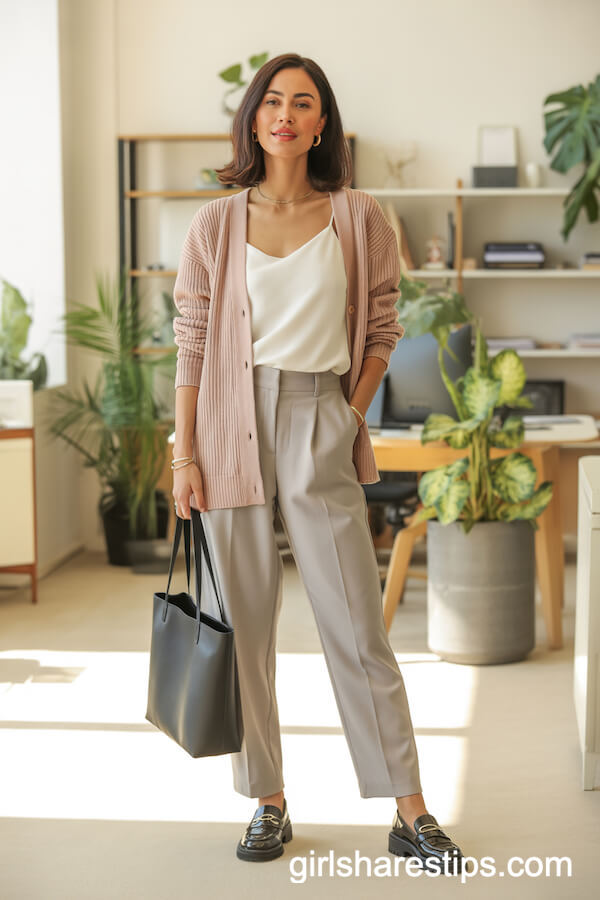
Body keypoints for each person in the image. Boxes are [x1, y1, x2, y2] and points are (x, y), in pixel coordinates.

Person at [171, 52, 466, 874]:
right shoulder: (215, 225)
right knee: (244, 627)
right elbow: (191, 346)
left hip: (316, 416)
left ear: (322, 123)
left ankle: (410, 810)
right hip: (229, 422)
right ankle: (267, 800)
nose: (286, 114)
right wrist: (182, 454)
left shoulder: (359, 216)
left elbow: (380, 326)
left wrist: (347, 412)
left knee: (356, 626)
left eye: (303, 103)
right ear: (254, 119)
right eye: (272, 101)